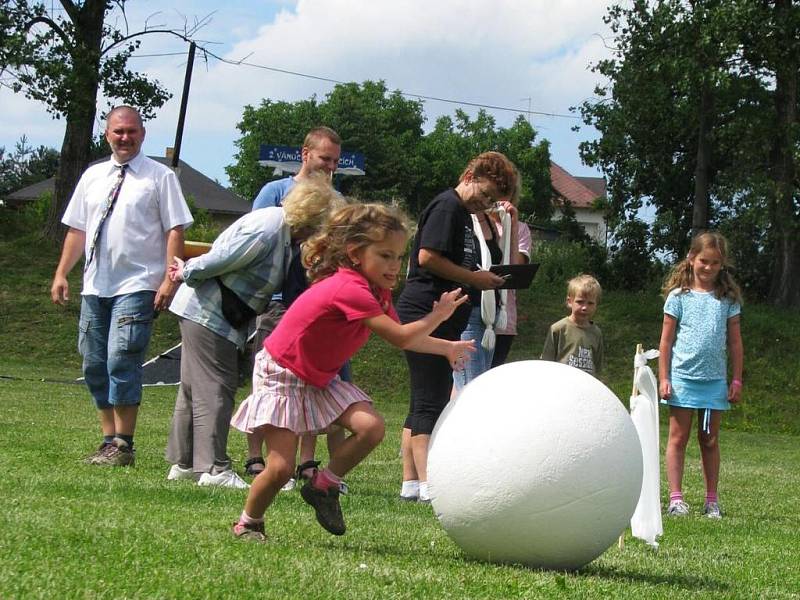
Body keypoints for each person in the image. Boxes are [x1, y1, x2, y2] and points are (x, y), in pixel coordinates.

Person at [230, 203, 475, 541]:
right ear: (355, 253)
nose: (394, 266)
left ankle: (323, 485)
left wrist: (444, 348)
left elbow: (404, 337)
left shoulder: (377, 291)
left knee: (371, 427)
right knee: (281, 467)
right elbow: (400, 335)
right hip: (283, 372)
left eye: (399, 257)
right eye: (385, 255)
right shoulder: (351, 288)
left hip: (319, 374)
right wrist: (439, 316)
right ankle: (249, 521)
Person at [165, 176, 342, 488]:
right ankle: (214, 469)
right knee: (217, 386)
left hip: (213, 313)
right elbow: (223, 258)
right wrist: (185, 271)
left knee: (193, 389)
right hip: (207, 312)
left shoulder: (285, 235)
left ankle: (184, 464)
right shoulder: (270, 228)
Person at [50, 105, 193, 466]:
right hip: (96, 286)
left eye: (131, 131)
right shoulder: (93, 176)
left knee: (121, 358)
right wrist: (62, 273)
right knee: (93, 364)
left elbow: (175, 229)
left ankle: (124, 443)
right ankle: (107, 439)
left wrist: (169, 279)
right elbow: (77, 230)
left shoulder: (160, 177)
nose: (125, 137)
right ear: (107, 134)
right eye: (118, 132)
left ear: (142, 134)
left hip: (139, 284)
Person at [396, 151, 518, 502]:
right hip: (424, 310)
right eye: (485, 192)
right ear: (469, 175)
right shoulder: (448, 207)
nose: (486, 202)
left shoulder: (465, 214)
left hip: (443, 314)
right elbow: (427, 257)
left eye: (493, 199)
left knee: (427, 397)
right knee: (429, 401)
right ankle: (428, 485)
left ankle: (413, 485)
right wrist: (472, 279)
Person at [247, 126, 347, 483]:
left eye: (335, 161)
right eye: (324, 158)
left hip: (316, 303)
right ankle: (257, 457)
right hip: (276, 302)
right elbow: (256, 237)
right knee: (271, 384)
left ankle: (306, 460)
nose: (330, 167)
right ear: (305, 155)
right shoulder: (275, 192)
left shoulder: (338, 202)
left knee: (313, 383)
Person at [658, 232, 743, 519]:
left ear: (722, 265)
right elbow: (666, 342)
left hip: (714, 381)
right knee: (678, 438)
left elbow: (735, 343)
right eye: (704, 261)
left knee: (709, 439)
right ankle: (676, 498)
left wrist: (736, 379)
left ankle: (711, 500)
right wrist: (664, 377)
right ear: (691, 258)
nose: (708, 268)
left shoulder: (727, 299)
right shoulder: (678, 297)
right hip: (682, 378)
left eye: (715, 263)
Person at [490, 173, 533, 367]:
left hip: (504, 319)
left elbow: (516, 267)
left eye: (506, 191)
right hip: (475, 312)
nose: (500, 197)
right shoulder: (474, 222)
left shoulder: (521, 229)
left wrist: (512, 224)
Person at [541, 274, 605, 377]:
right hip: (563, 384)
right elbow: (546, 362)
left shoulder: (596, 333)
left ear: (596, 305)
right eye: (580, 302)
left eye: (590, 303)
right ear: (569, 301)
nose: (584, 307)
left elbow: (597, 366)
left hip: (586, 385)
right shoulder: (558, 329)